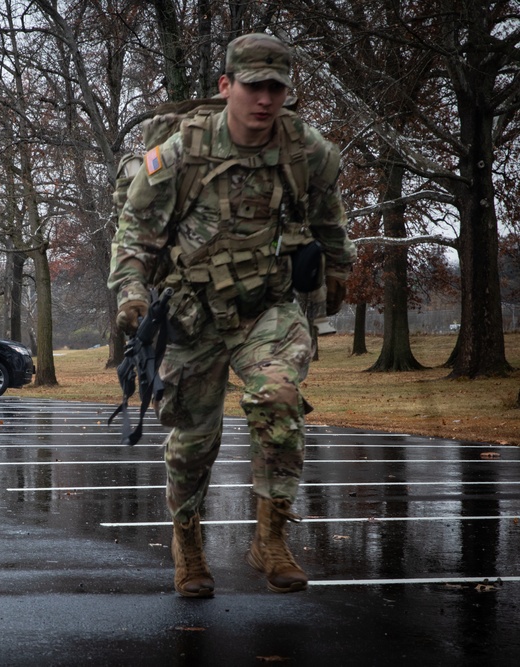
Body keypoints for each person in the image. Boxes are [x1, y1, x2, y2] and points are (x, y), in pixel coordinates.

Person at [108, 33, 356, 597]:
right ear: (227, 87)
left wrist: (338, 271)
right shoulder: (181, 152)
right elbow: (134, 234)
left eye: (277, 88)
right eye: (253, 86)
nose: (265, 99)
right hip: (193, 315)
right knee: (194, 442)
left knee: (278, 399)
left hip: (266, 307)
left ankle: (270, 539)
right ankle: (189, 546)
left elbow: (329, 219)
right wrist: (131, 294)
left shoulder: (305, 151)